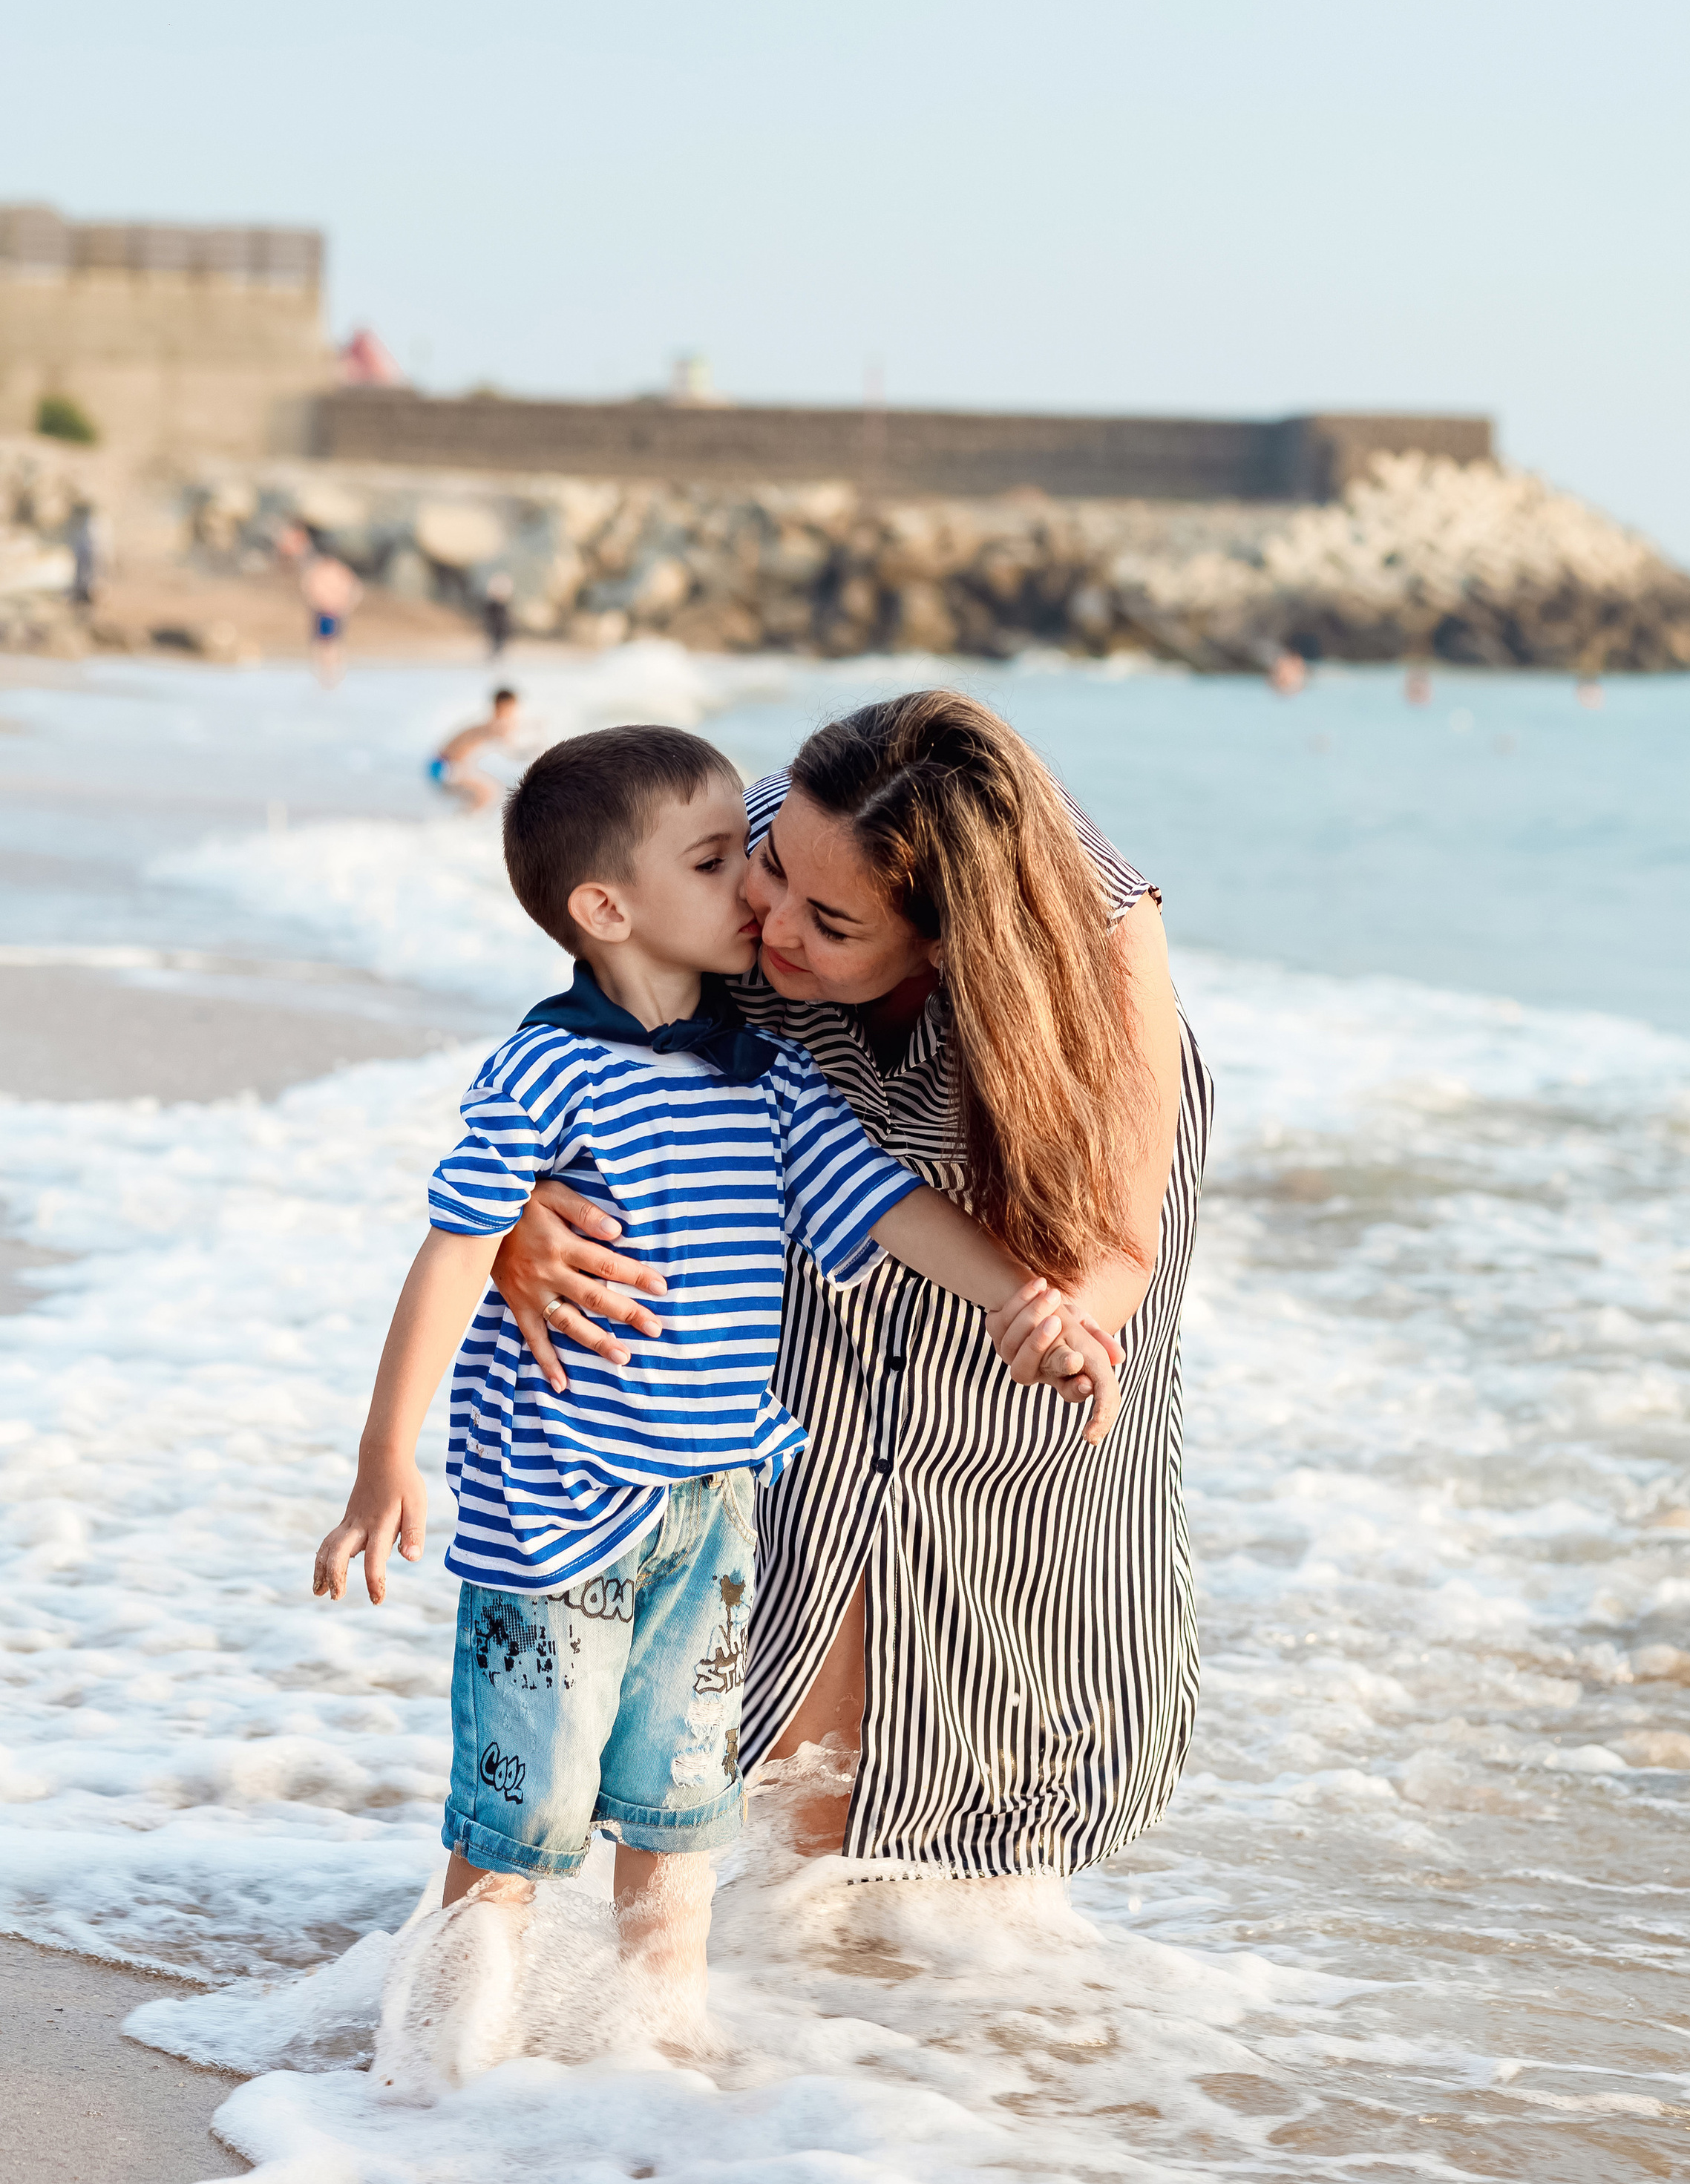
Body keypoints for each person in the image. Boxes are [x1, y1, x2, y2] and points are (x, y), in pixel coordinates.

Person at [313, 724, 1116, 2069]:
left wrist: (1026, 1300)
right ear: (608, 910)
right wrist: (387, 1457)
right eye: (717, 863)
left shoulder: (768, 1078)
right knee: (521, 1810)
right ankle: (437, 2081)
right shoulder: (547, 1071)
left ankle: (655, 2058)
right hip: (554, 1501)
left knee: (679, 1809)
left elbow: (889, 1206)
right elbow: (457, 1246)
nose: (754, 892)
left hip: (712, 1500)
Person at [494, 689, 1211, 1876]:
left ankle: (957, 1951)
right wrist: (522, 1214)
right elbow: (579, 1030)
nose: (769, 924)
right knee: (798, 1498)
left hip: (1038, 1188)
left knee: (1015, 1533)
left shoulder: (1095, 951)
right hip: (808, 1166)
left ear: (945, 945)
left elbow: (1115, 1250)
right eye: (771, 868)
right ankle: (777, 1934)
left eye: (829, 923)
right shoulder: (765, 852)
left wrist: (1057, 1324)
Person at [428, 688, 523, 811]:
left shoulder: (485, 724)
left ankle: (461, 821)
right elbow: (515, 751)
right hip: (445, 768)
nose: (514, 713)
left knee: (487, 793)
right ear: (504, 707)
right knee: (490, 792)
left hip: (438, 766)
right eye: (513, 709)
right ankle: (463, 824)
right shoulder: (495, 726)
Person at [301, 544, 361, 686]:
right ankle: (327, 674)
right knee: (326, 643)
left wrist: (347, 605)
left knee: (329, 644)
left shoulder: (331, 571)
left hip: (331, 611)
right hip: (327, 610)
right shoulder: (331, 570)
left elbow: (308, 588)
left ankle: (330, 674)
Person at [482, 569, 515, 658]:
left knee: (500, 645)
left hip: (501, 630)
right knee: (494, 645)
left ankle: (496, 657)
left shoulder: (503, 606)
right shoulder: (491, 606)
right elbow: (488, 619)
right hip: (494, 630)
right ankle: (493, 657)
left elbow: (506, 621)